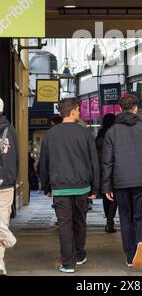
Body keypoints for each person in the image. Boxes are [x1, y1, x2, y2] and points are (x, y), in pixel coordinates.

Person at [102, 94, 142, 269]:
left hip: (121, 182)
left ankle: (130, 256)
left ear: (120, 109)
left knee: (126, 218)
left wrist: (106, 186)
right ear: (136, 108)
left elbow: (107, 162)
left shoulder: (111, 131)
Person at [40, 97, 99, 273]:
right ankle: (80, 255)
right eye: (78, 110)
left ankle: (68, 263)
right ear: (72, 111)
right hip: (82, 186)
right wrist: (95, 187)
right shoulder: (85, 133)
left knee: (64, 224)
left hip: (60, 187)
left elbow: (44, 163)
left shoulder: (51, 134)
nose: (79, 113)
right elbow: (94, 162)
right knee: (80, 221)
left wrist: (47, 186)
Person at [0, 98, 19, 276]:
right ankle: (0, 261)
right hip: (5, 182)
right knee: (3, 219)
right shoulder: (10, 129)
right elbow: (16, 157)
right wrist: (13, 178)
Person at [95, 113, 117, 233]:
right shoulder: (114, 135)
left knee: (105, 196)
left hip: (101, 170)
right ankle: (110, 221)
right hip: (113, 170)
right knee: (114, 197)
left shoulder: (99, 135)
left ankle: (108, 220)